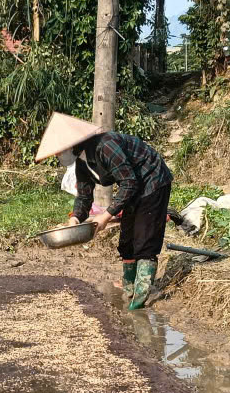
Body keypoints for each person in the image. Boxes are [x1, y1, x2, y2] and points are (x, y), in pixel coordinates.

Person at [35, 112, 173, 310]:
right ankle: (129, 289)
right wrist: (75, 219)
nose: (58, 156)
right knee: (126, 241)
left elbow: (129, 182)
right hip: (132, 185)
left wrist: (106, 215)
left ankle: (140, 300)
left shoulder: (105, 145)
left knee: (144, 238)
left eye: (60, 151)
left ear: (72, 145)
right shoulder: (82, 162)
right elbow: (84, 196)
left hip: (152, 180)